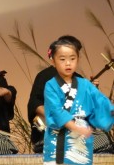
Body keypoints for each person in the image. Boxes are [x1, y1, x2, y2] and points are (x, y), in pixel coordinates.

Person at [43, 37, 114, 165]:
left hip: (81, 139)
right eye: (62, 59)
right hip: (58, 138)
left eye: (72, 58)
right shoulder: (50, 85)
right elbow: (56, 111)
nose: (68, 63)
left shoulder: (86, 84)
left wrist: (111, 112)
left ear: (78, 60)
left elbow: (100, 102)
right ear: (53, 61)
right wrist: (74, 127)